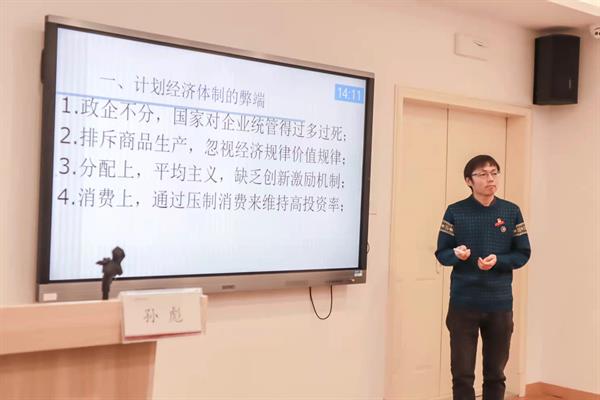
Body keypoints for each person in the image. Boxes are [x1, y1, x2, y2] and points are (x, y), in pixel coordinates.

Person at [435, 155, 531, 400]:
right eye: (483, 174)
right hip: (463, 304)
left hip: (499, 304)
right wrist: (456, 254)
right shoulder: (455, 211)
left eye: (494, 173)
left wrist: (498, 260)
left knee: (495, 374)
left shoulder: (511, 211)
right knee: (462, 374)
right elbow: (442, 253)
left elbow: (523, 253)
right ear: (469, 180)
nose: (490, 179)